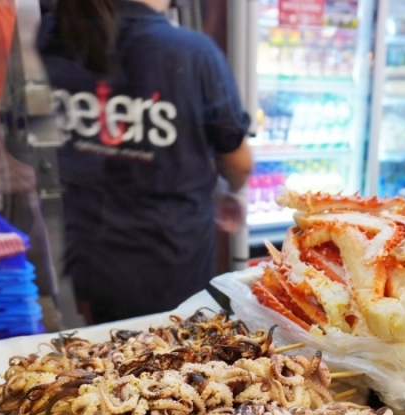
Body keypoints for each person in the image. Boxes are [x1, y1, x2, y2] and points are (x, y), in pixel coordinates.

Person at [38, 0, 253, 324]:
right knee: (182, 358)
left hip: (90, 257)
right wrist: (229, 191)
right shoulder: (192, 52)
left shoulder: (56, 37)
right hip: (172, 260)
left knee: (108, 357)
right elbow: (238, 164)